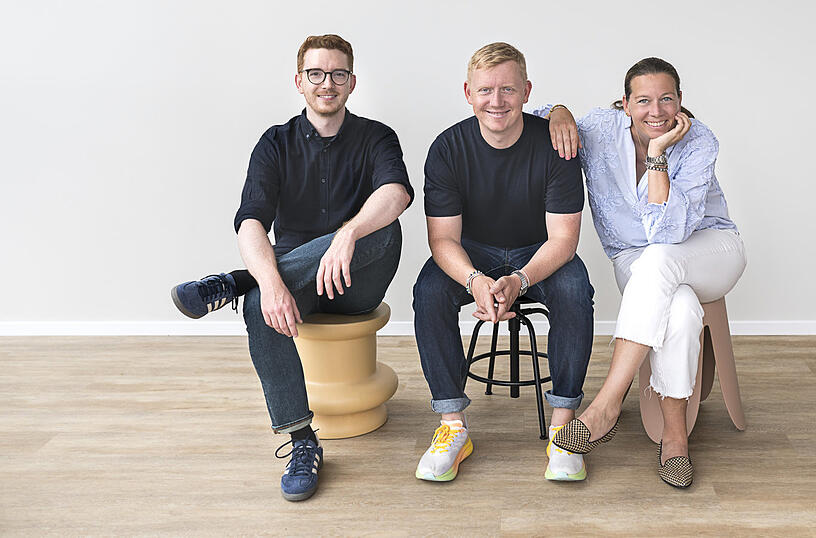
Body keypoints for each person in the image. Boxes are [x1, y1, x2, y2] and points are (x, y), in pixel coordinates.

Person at [170, 35, 413, 501]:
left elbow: (397, 193)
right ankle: (303, 441)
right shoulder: (274, 143)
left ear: (352, 82)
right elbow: (250, 221)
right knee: (263, 298)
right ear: (299, 82)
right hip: (300, 280)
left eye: (338, 74)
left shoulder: (376, 136)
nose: (328, 83)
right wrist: (269, 280)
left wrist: (348, 233)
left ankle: (234, 281)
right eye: (317, 74)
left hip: (358, 278)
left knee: (379, 227)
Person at [543, 57, 746, 488]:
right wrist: (559, 110)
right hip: (635, 261)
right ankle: (675, 439)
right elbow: (540, 118)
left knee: (660, 260)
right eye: (644, 101)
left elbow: (669, 233)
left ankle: (606, 405)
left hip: (711, 249)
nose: (656, 111)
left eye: (667, 99)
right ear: (624, 104)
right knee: (682, 307)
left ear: (680, 103)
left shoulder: (699, 141)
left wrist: (656, 156)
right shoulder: (600, 127)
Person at [411, 42, 594, 482]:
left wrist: (520, 278)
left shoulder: (556, 144)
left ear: (527, 91)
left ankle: (563, 428)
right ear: (468, 92)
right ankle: (452, 426)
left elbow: (564, 240)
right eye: (486, 90)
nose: (497, 101)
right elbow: (442, 239)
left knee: (574, 288)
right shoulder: (447, 149)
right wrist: (475, 280)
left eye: (509, 90)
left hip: (539, 251)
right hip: (472, 251)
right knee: (429, 291)